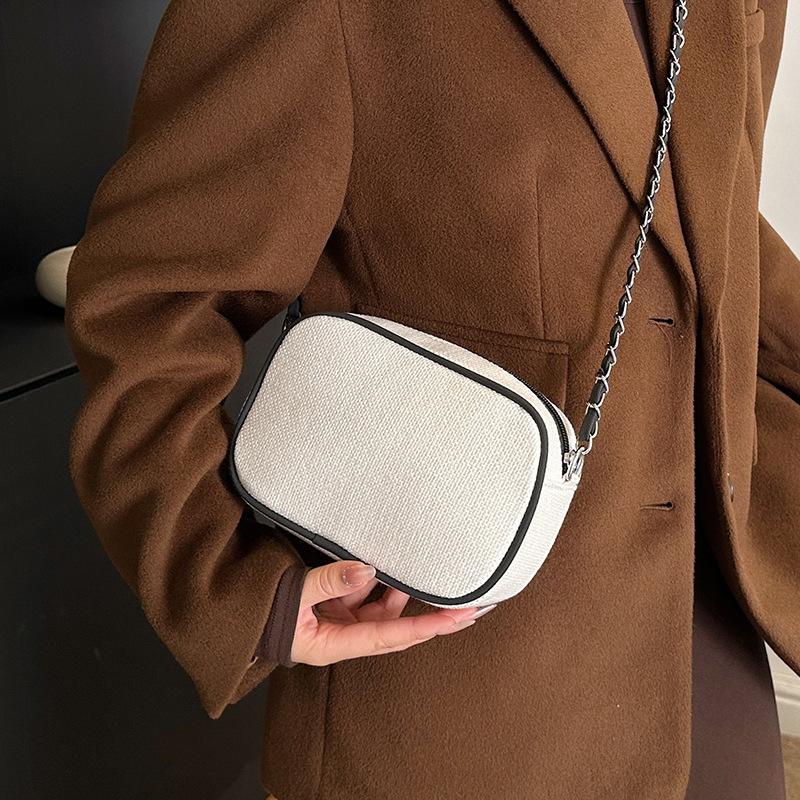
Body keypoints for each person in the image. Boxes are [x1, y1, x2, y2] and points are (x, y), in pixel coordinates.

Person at [65, 1, 799, 798]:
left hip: (717, 650)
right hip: (458, 698)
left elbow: (704, 223)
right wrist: (228, 580)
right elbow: (149, 305)